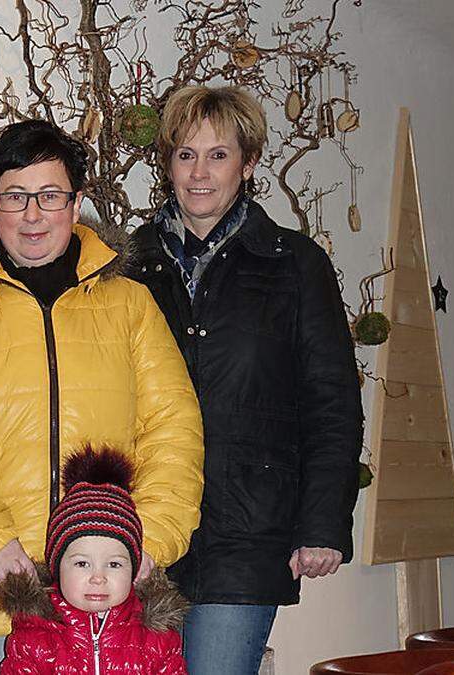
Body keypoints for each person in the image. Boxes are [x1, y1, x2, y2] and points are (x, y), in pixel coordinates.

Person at [0, 119, 204, 674]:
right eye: (15, 196)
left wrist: (140, 542)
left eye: (50, 195)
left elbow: (175, 429)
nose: (33, 215)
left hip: (108, 597)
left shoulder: (130, 304)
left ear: (76, 203)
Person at [124, 85, 363, 674]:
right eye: (185, 155)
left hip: (249, 527)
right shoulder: (128, 262)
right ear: (168, 164)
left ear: (248, 163)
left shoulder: (294, 263)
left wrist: (323, 522)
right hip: (144, 526)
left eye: (218, 155)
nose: (199, 172)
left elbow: (331, 401)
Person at [0, 445, 187, 674]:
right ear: (57, 568)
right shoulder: (33, 639)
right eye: (82, 563)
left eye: (114, 564)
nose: (98, 577)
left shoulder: (157, 638)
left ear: (135, 572)